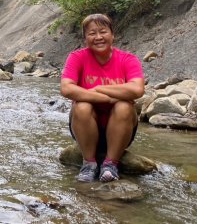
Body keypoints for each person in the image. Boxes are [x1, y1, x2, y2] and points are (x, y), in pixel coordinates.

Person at [60, 13, 145, 182]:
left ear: (112, 35)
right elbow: (67, 88)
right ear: (85, 38)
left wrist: (100, 88)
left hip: (120, 132)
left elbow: (137, 89)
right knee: (82, 106)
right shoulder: (77, 57)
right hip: (85, 131)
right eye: (92, 33)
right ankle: (89, 163)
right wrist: (106, 98)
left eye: (103, 31)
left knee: (124, 106)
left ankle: (110, 164)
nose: (98, 37)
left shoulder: (128, 59)